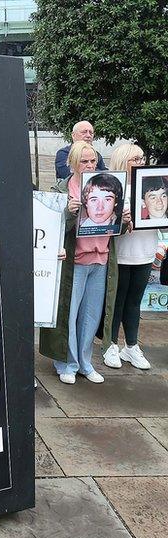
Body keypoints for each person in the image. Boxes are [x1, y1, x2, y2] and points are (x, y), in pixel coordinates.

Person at [40, 141, 128, 384]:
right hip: (74, 262)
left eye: (93, 161)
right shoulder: (62, 188)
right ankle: (67, 363)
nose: (90, 165)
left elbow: (112, 228)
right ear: (72, 162)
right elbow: (49, 226)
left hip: (100, 261)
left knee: (90, 316)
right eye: (84, 161)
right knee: (68, 314)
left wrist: (125, 221)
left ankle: (85, 363)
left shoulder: (107, 185)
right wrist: (68, 212)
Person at [103, 144, 154, 370]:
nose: (141, 162)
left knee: (134, 302)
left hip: (145, 251)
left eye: (143, 158)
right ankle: (111, 345)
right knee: (117, 301)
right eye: (136, 158)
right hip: (122, 254)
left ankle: (131, 346)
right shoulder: (115, 187)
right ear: (124, 160)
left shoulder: (153, 185)